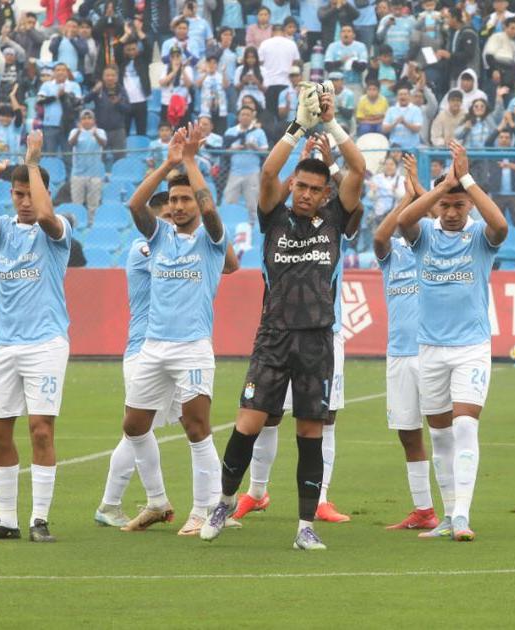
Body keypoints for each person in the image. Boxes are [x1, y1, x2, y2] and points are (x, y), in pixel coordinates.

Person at [203, 82, 366, 549]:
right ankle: (223, 501)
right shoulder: (274, 216)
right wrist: (297, 127)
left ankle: (304, 527)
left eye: (316, 189)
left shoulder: (335, 220)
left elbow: (359, 168)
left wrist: (331, 125)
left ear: (326, 193)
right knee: (248, 424)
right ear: (293, 185)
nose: (307, 194)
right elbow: (269, 170)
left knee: (310, 432)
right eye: (302, 186)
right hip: (273, 336)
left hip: (316, 339)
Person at [93, 193, 238, 527]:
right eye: (168, 215)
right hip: (144, 347)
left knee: (188, 425)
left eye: (180, 210)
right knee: (136, 428)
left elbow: (230, 264)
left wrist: (209, 241)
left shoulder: (188, 243)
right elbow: (145, 219)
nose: (174, 219)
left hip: (179, 345)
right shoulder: (145, 247)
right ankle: (117, 503)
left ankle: (190, 505)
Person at [113, 124, 229, 536]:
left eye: (185, 199)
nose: (179, 205)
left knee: (196, 427)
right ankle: (159, 500)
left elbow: (212, 212)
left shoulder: (211, 241)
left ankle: (205, 509)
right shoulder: (159, 236)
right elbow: (134, 204)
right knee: (133, 425)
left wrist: (192, 163)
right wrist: (168, 162)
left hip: (192, 348)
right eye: (175, 200)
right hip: (153, 348)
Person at [391, 140, 509, 541]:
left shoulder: (478, 236)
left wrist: (467, 178)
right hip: (430, 349)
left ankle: (461, 514)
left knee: (463, 426)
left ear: (470, 207)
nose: (453, 212)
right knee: (439, 434)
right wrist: (441, 188)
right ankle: (445, 515)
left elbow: (502, 226)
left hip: (471, 348)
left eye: (460, 205)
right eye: (447, 206)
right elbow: (402, 223)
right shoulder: (423, 234)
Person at [0, 133, 67, 544]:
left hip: (45, 344)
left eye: (30, 193)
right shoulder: (3, 230)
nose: (24, 201)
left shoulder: (57, 230)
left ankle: (40, 519)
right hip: (5, 344)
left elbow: (44, 215)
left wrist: (33, 161)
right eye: (18, 193)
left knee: (41, 429)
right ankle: (7, 520)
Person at [370, 154, 445, 531]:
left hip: (432, 351)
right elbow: (380, 236)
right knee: (408, 434)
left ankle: (454, 509)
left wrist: (421, 194)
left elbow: (423, 222)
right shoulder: (392, 255)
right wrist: (406, 198)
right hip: (399, 355)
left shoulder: (434, 248)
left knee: (441, 433)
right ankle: (423, 509)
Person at [222, 106, 270, 220]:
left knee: (253, 205)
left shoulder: (259, 132)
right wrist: (234, 149)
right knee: (229, 201)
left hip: (253, 174)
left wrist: (255, 147)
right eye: (243, 114)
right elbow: (223, 151)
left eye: (248, 114)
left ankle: (253, 230)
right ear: (238, 117)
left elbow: (265, 152)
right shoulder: (230, 131)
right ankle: (230, 225)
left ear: (252, 117)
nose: (245, 117)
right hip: (234, 173)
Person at [68, 110, 107, 222]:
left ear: (94, 121)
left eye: (89, 118)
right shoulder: (74, 131)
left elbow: (103, 144)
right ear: (80, 121)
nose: (86, 120)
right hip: (77, 174)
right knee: (77, 204)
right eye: (84, 118)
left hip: (95, 174)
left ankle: (91, 226)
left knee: (93, 205)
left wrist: (95, 134)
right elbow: (71, 143)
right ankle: (77, 226)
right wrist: (79, 132)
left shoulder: (100, 131)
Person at [382, 85, 425, 150]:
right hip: (395, 148)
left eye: (405, 94)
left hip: (412, 147)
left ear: (410, 97)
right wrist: (395, 123)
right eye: (400, 94)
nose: (403, 96)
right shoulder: (391, 110)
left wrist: (405, 123)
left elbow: (417, 129)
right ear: (397, 97)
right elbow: (384, 129)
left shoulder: (416, 110)